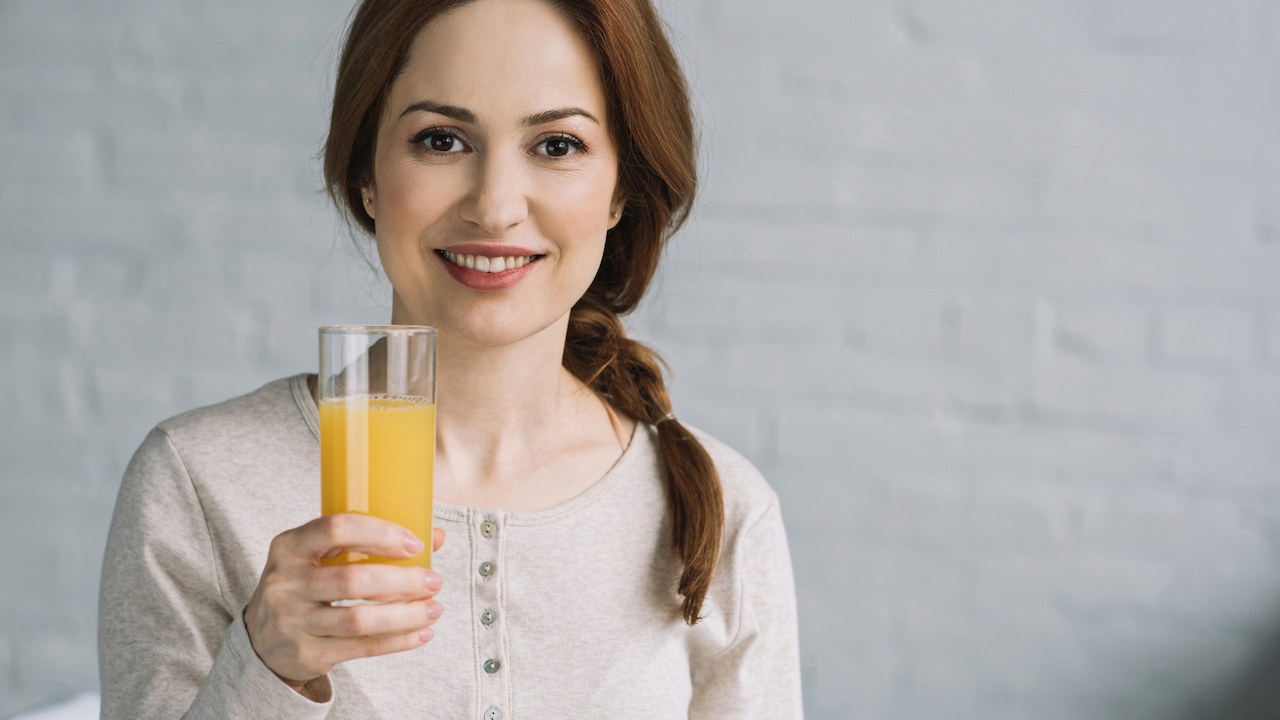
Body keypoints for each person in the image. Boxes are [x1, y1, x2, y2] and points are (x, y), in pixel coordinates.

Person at [98, 0, 802, 717]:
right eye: (441, 140)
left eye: (557, 146)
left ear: (622, 190)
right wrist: (266, 671)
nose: (495, 208)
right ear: (366, 174)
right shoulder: (197, 481)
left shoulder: (724, 509)